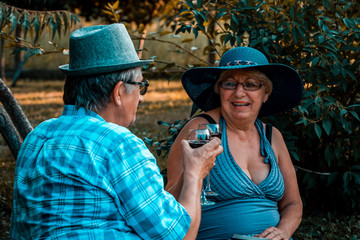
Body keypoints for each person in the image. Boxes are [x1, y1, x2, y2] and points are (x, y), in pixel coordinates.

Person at [10, 23, 223, 240]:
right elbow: (180, 236)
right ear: (119, 92)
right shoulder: (118, 144)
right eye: (141, 86)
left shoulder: (36, 138)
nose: (140, 97)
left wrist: (188, 172)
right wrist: (196, 173)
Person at [166, 47, 303, 240]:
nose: (239, 92)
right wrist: (194, 170)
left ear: (265, 93)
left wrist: (283, 231)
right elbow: (170, 203)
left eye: (251, 84)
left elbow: (293, 204)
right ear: (219, 90)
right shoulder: (204, 130)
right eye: (229, 84)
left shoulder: (272, 136)